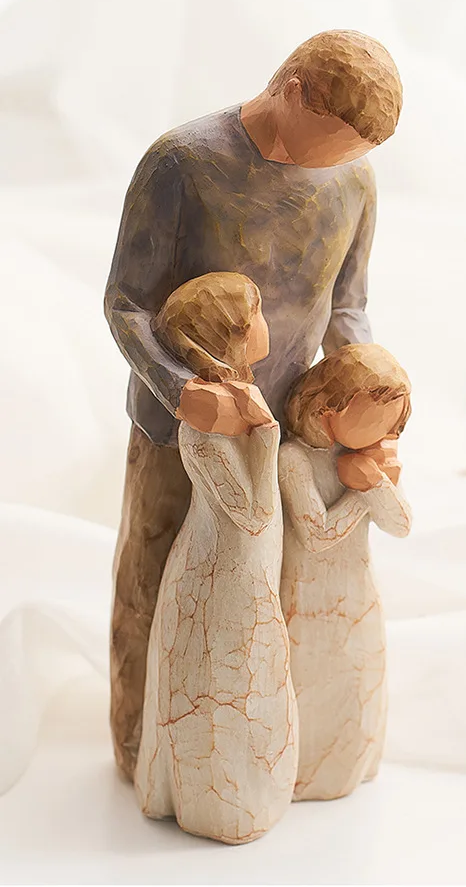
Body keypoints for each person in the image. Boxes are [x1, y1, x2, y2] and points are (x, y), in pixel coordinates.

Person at [105, 29, 402, 779]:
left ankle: (240, 753)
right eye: (332, 143)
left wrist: (367, 404)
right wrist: (182, 391)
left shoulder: (354, 182)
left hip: (290, 428)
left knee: (262, 594)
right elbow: (128, 304)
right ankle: (141, 747)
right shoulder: (183, 163)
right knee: (156, 574)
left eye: (355, 153)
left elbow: (347, 308)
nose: (338, 165)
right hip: (182, 427)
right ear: (294, 92)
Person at [133, 273, 297, 845]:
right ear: (226, 336)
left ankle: (247, 792)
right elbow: (252, 512)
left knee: (246, 677)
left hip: (245, 567)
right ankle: (220, 803)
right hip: (222, 574)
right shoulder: (205, 428)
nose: (266, 323)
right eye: (255, 315)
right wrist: (267, 433)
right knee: (226, 681)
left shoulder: (237, 404)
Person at [278, 344, 412, 801]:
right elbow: (316, 534)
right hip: (308, 594)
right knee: (312, 679)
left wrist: (376, 483)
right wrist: (359, 493)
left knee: (359, 675)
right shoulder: (294, 459)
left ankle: (354, 761)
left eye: (394, 422)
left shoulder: (366, 459)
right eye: (377, 419)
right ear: (327, 408)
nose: (386, 432)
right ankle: (304, 773)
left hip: (356, 588)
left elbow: (401, 524)